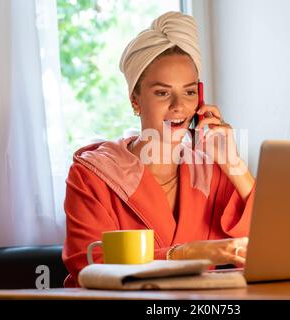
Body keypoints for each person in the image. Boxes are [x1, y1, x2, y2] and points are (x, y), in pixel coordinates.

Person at [62, 11, 255, 288]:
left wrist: (234, 164)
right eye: (163, 93)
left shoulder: (212, 171)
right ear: (135, 101)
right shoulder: (91, 175)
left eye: (189, 92)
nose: (179, 106)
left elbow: (270, 248)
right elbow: (91, 266)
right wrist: (187, 254)